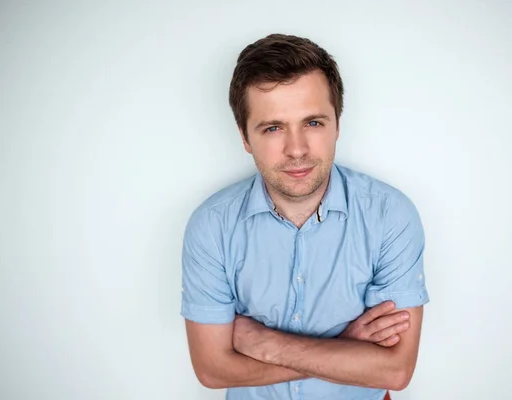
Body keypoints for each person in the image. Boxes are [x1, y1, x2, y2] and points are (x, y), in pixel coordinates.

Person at [181, 33, 429, 400]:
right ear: (245, 137)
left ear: (337, 124)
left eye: (313, 123)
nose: (296, 149)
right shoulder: (211, 226)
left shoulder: (390, 215)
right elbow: (212, 370)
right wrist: (343, 346)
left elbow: (394, 369)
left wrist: (264, 343)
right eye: (273, 128)